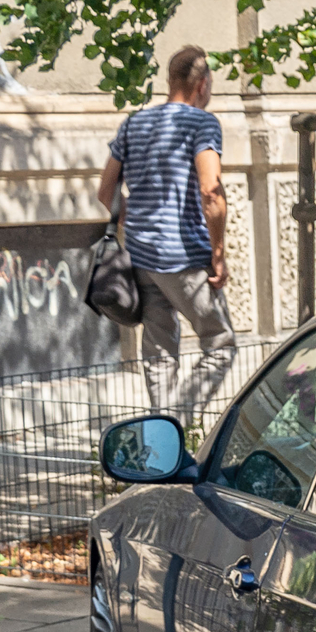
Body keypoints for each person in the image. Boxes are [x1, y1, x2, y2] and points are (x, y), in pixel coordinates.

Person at [98, 44, 235, 415]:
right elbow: (211, 192)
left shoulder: (134, 123)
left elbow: (105, 190)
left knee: (159, 355)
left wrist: (132, 218)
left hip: (141, 258)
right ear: (202, 85)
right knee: (220, 343)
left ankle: (163, 449)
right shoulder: (202, 123)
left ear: (170, 81)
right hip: (184, 258)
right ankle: (178, 423)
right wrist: (218, 255)